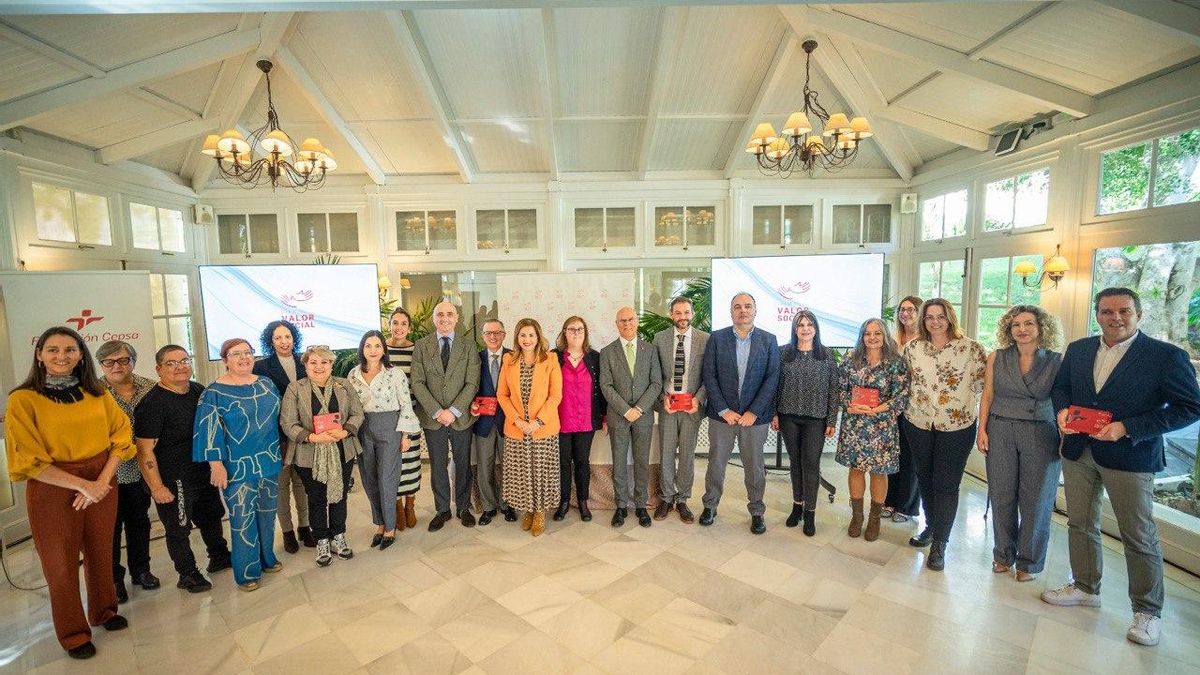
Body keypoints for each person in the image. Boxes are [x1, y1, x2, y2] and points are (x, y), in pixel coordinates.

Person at [1042, 288, 1200, 647]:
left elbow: (1190, 407)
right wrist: (1063, 411)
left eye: (1124, 311)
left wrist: (1128, 427)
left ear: (1139, 314)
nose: (1115, 318)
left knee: (1138, 534)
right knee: (1080, 523)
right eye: (1107, 311)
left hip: (1130, 455)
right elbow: (1061, 388)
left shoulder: (1166, 356)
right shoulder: (1079, 349)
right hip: (1079, 450)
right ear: (1097, 314)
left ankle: (1147, 611)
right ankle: (1085, 587)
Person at [4, 327, 133, 659]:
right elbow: (28, 460)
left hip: (102, 477)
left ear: (80, 355)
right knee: (60, 564)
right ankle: (73, 633)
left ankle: (104, 611)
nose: (62, 356)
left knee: (101, 552)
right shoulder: (23, 399)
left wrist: (100, 482)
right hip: (52, 486)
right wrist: (83, 485)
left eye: (69, 350)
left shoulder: (98, 393)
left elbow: (121, 437)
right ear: (39, 355)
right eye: (53, 349)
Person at [135, 345, 232, 595]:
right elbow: (144, 451)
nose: (179, 367)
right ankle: (187, 573)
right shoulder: (152, 404)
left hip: (201, 471)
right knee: (179, 527)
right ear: (158, 369)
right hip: (172, 478)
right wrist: (157, 487)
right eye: (171, 363)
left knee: (212, 515)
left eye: (184, 360)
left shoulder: (198, 391)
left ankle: (219, 556)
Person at [977, 305, 1062, 582]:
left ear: (1041, 328)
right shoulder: (997, 357)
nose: (1022, 329)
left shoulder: (1056, 361)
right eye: (1016, 325)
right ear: (1009, 329)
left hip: (1041, 431)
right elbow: (987, 395)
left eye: (1028, 324)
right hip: (1000, 428)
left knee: (1037, 499)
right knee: (1001, 494)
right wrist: (982, 429)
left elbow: (1064, 399)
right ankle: (1002, 555)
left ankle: (1029, 562)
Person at [901, 298, 986, 571]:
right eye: (929, 317)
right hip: (918, 423)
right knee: (925, 479)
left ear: (950, 318)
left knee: (946, 484)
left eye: (940, 316)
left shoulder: (971, 349)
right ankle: (931, 527)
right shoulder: (913, 348)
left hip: (956, 426)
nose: (935, 322)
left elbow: (985, 387)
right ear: (923, 320)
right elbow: (904, 383)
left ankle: (940, 544)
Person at [193, 338, 283, 591]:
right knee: (242, 520)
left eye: (247, 352)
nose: (243, 358)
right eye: (236, 354)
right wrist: (215, 465)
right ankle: (247, 572)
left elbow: (279, 419)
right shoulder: (214, 393)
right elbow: (208, 431)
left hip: (269, 461)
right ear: (225, 360)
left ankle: (267, 558)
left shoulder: (266, 384)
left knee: (267, 515)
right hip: (236, 467)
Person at [700, 293, 780, 534]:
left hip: (754, 419)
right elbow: (709, 375)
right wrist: (724, 410)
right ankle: (710, 506)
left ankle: (757, 511)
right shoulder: (717, 338)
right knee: (716, 464)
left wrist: (754, 412)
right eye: (737, 307)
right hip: (722, 416)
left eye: (747, 306)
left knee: (755, 467)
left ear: (755, 310)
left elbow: (772, 378)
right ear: (731, 312)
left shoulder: (769, 340)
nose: (742, 310)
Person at [280, 345, 365, 566]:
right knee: (316, 498)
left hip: (342, 449)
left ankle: (338, 536)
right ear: (305, 366)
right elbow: (288, 423)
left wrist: (345, 431)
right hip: (309, 453)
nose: (319, 367)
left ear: (331, 365)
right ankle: (322, 540)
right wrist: (311, 437)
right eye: (313, 362)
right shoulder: (295, 388)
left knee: (339, 495)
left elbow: (357, 413)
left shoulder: (343, 385)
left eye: (324, 362)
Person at [96, 340, 159, 604]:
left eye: (123, 360)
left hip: (141, 468)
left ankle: (141, 570)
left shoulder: (150, 388)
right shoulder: (93, 391)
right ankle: (113, 579)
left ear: (133, 361)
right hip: (108, 471)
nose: (117, 366)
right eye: (109, 362)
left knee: (139, 521)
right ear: (101, 365)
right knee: (110, 528)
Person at [836, 319, 909, 542]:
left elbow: (902, 395)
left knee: (879, 471)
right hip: (855, 425)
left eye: (877, 333)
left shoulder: (896, 363)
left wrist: (880, 408)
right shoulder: (851, 359)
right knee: (856, 469)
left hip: (882, 426)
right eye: (867, 333)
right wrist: (849, 405)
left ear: (885, 335)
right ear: (862, 336)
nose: (872, 337)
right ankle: (857, 516)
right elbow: (839, 389)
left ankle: (875, 518)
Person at [410, 301, 481, 531]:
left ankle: (463, 507)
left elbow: (472, 383)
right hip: (433, 418)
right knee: (438, 465)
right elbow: (417, 383)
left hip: (461, 418)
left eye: (449, 314)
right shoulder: (421, 346)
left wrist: (454, 410)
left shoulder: (469, 346)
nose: (445, 318)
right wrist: (438, 411)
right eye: (440, 314)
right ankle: (442, 509)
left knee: (463, 464)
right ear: (434, 318)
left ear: (457, 318)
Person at [348, 331, 420, 550]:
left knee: (387, 479)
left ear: (384, 349)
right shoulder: (353, 374)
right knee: (369, 479)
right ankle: (380, 524)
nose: (373, 350)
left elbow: (406, 404)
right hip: (363, 428)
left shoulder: (395, 373)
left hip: (390, 427)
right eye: (368, 346)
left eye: (377, 346)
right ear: (362, 349)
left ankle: (390, 527)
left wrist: (406, 435)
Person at [770, 311, 838, 536]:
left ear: (815, 329)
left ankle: (810, 513)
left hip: (816, 419)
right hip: (788, 416)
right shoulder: (783, 353)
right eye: (801, 325)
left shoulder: (826, 354)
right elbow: (775, 385)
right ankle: (797, 506)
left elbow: (834, 389)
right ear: (795, 329)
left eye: (809, 324)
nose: (805, 329)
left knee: (811, 464)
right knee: (795, 463)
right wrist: (774, 414)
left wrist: (831, 419)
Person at [496, 318, 563, 536]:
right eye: (523, 335)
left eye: (531, 335)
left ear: (538, 337)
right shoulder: (509, 360)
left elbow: (555, 396)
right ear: (517, 337)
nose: (527, 339)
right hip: (517, 429)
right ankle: (528, 510)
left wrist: (537, 422)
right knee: (522, 474)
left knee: (541, 473)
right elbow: (502, 395)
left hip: (542, 429)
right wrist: (518, 421)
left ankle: (540, 512)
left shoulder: (550, 359)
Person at [252, 320, 314, 553]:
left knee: (302, 482)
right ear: (270, 341)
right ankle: (287, 531)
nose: (283, 341)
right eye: (278, 338)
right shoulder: (261, 367)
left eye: (287, 336)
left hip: (305, 433)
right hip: (276, 436)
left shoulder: (305, 362)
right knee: (281, 485)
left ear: (294, 338)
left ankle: (304, 527)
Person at [599, 306, 662, 528]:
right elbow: (606, 386)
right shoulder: (607, 352)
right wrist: (626, 410)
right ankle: (621, 506)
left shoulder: (650, 350)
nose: (627, 324)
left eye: (630, 319)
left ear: (637, 321)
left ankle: (641, 505)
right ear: (616, 324)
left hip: (643, 417)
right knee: (619, 462)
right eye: (622, 321)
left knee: (641, 461)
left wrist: (640, 408)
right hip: (619, 416)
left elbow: (656, 383)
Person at [653, 297, 708, 524]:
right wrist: (662, 397)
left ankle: (683, 499)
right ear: (671, 314)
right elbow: (655, 374)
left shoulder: (705, 339)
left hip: (691, 407)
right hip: (668, 405)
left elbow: (709, 375)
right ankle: (667, 498)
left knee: (687, 455)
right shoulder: (660, 338)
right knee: (666, 454)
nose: (682, 317)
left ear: (692, 314)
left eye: (686, 312)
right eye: (678, 312)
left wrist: (699, 399)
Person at [553, 316, 606, 522]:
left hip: (586, 420)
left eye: (580, 329)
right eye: (571, 329)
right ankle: (564, 501)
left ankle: (583, 502)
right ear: (564, 332)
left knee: (583, 461)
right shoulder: (553, 357)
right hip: (560, 420)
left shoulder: (595, 357)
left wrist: (605, 417)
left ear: (585, 332)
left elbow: (603, 389)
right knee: (563, 462)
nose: (576, 332)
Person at [471, 318, 517, 525]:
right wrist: (471, 403)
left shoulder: (514, 357)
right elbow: (469, 387)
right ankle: (488, 507)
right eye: (488, 333)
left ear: (504, 335)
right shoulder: (475, 359)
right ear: (483, 336)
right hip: (483, 423)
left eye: (497, 332)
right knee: (485, 467)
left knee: (510, 467)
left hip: (509, 422)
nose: (492, 337)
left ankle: (508, 506)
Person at [884, 295, 923, 524]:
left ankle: (906, 506)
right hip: (892, 405)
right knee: (892, 454)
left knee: (910, 457)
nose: (905, 313)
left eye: (911, 310)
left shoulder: (925, 341)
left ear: (920, 313)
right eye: (902, 309)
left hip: (915, 406)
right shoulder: (893, 340)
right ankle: (889, 500)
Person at [386, 307, 424, 530]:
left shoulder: (416, 350)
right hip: (388, 416)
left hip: (411, 414)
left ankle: (410, 505)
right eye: (395, 323)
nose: (399, 327)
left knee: (411, 462)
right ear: (389, 325)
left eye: (403, 323)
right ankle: (397, 507)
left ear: (409, 327)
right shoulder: (381, 349)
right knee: (393, 463)